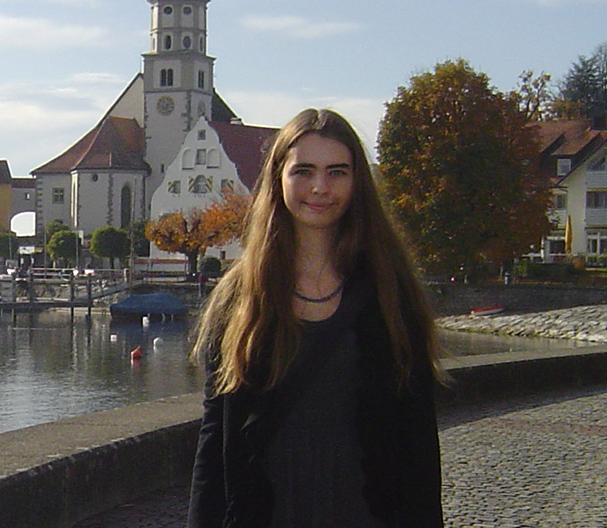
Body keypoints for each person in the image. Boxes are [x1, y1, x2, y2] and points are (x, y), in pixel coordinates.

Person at [187, 109, 445, 528]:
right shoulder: (240, 298)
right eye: (304, 171)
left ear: (356, 182)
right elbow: (215, 435)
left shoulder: (389, 292)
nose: (320, 187)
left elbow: (417, 439)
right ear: (279, 179)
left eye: (337, 172)